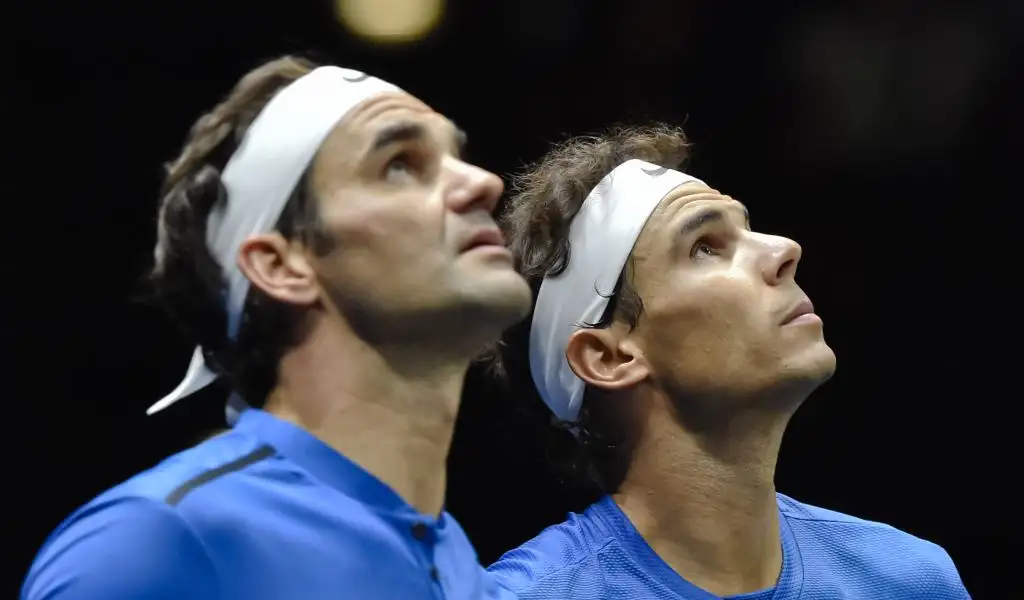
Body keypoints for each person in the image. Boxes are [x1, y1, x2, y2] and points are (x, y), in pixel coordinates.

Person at [22, 56, 530, 600]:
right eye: (400, 164)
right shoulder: (156, 543)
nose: (484, 183)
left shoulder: (462, 573)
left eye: (458, 156)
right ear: (280, 265)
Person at [484, 124, 970, 599]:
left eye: (748, 228)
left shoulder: (908, 580)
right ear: (609, 357)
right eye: (705, 248)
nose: (784, 249)